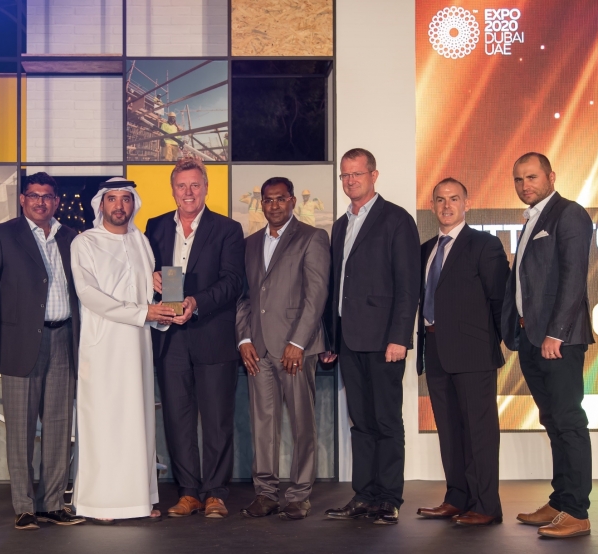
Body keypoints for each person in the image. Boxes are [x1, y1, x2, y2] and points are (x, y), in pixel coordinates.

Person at [322, 148, 420, 526]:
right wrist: (331, 340)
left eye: (357, 174)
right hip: (349, 340)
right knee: (360, 423)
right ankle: (364, 495)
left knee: (386, 422)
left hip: (384, 342)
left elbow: (408, 285)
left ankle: (389, 498)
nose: (350, 181)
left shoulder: (396, 219)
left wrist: (399, 337)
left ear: (373, 176)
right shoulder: (341, 225)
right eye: (345, 175)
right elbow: (336, 287)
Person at [70, 178, 176, 522]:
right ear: (101, 204)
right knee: (105, 421)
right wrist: (144, 312)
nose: (119, 206)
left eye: (126, 199)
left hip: (138, 345)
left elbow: (147, 294)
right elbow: (89, 294)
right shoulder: (85, 242)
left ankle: (138, 501)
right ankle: (101, 503)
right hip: (103, 346)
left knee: (137, 421)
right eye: (112, 199)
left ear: (134, 204)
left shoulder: (140, 240)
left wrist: (163, 307)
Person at [0, 172, 84, 531]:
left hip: (64, 338)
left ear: (56, 201)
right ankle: (24, 506)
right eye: (34, 195)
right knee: (21, 430)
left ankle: (53, 503)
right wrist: (12, 324)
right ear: (22, 199)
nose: (41, 202)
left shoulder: (71, 237)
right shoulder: (0, 235)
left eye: (48, 196)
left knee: (58, 427)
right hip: (21, 342)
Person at [145, 158, 245, 518]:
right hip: (169, 337)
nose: (188, 192)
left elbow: (233, 281)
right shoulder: (155, 226)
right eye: (181, 186)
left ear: (205, 188)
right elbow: (141, 271)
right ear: (173, 190)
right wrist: (150, 277)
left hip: (212, 333)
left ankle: (215, 492)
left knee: (217, 418)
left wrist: (196, 302)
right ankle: (188, 492)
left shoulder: (228, 229)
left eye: (194, 185)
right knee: (177, 418)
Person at [503, 153, 594, 539]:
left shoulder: (568, 214)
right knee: (553, 421)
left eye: (532, 177)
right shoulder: (532, 220)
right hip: (532, 338)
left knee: (568, 421)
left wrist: (556, 333)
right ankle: (560, 502)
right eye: (519, 179)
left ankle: (577, 512)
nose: (525, 185)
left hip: (559, 340)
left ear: (551, 176)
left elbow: (574, 277)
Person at [415, 178, 509, 527]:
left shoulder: (484, 244)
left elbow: (499, 299)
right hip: (435, 348)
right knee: (449, 430)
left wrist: (493, 343)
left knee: (479, 432)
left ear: (466, 203)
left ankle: (486, 505)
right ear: (432, 206)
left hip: (474, 353)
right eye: (440, 199)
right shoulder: (426, 249)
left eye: (454, 198)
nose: (447, 205)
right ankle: (457, 498)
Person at [236, 177, 330, 520]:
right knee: (263, 425)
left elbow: (316, 294)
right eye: (267, 200)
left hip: (296, 348)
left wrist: (298, 342)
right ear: (261, 203)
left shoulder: (312, 237)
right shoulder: (249, 244)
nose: (273, 205)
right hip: (258, 349)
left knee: (302, 422)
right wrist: (244, 339)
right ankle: (266, 494)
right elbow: (244, 296)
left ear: (292, 201)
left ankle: (300, 494)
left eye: (280, 199)